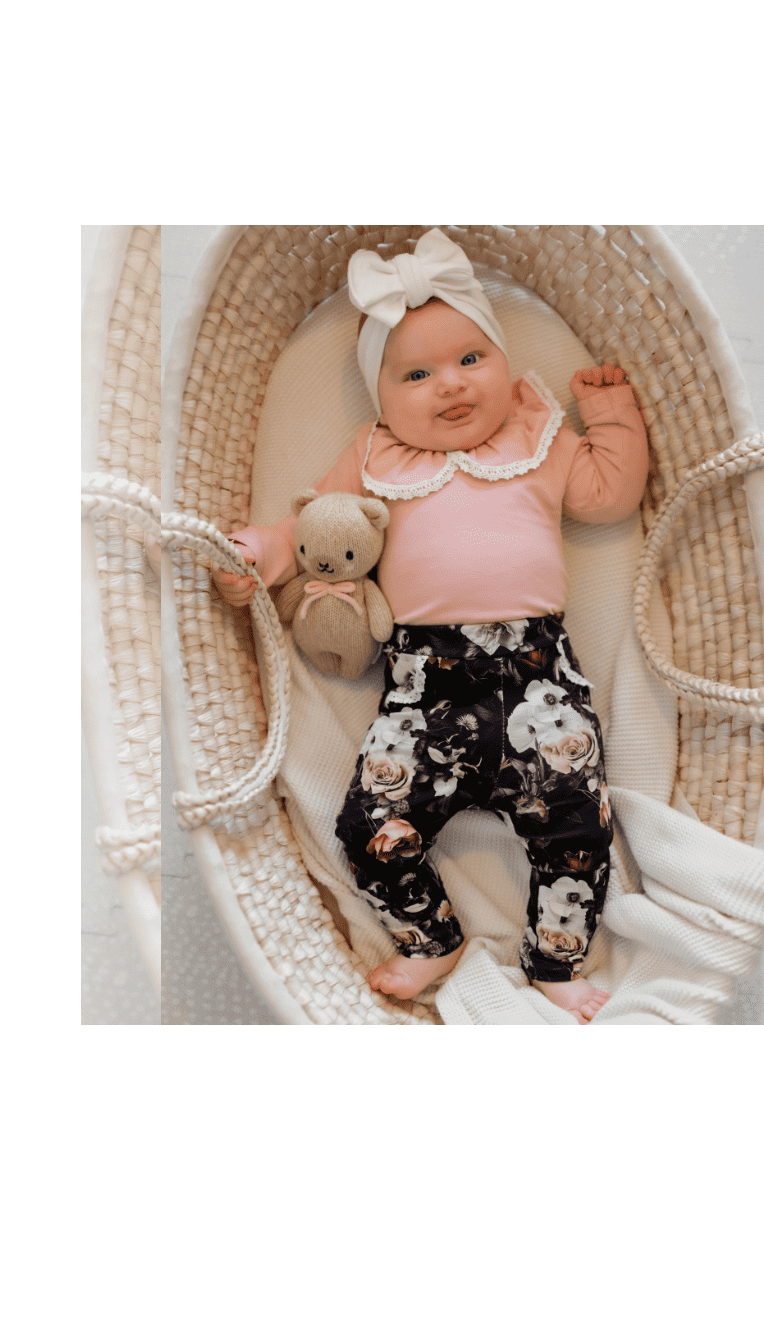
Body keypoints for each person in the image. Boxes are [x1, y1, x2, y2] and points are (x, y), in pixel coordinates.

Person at [214, 229, 649, 1023]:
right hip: (424, 691)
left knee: (579, 825)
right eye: (416, 375)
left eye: (470, 359)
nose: (450, 384)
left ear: (506, 363)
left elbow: (608, 494)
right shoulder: (375, 457)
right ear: (380, 400)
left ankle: (556, 961)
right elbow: (317, 529)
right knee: (368, 827)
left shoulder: (537, 436)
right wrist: (260, 554)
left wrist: (610, 415)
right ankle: (431, 938)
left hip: (539, 679)